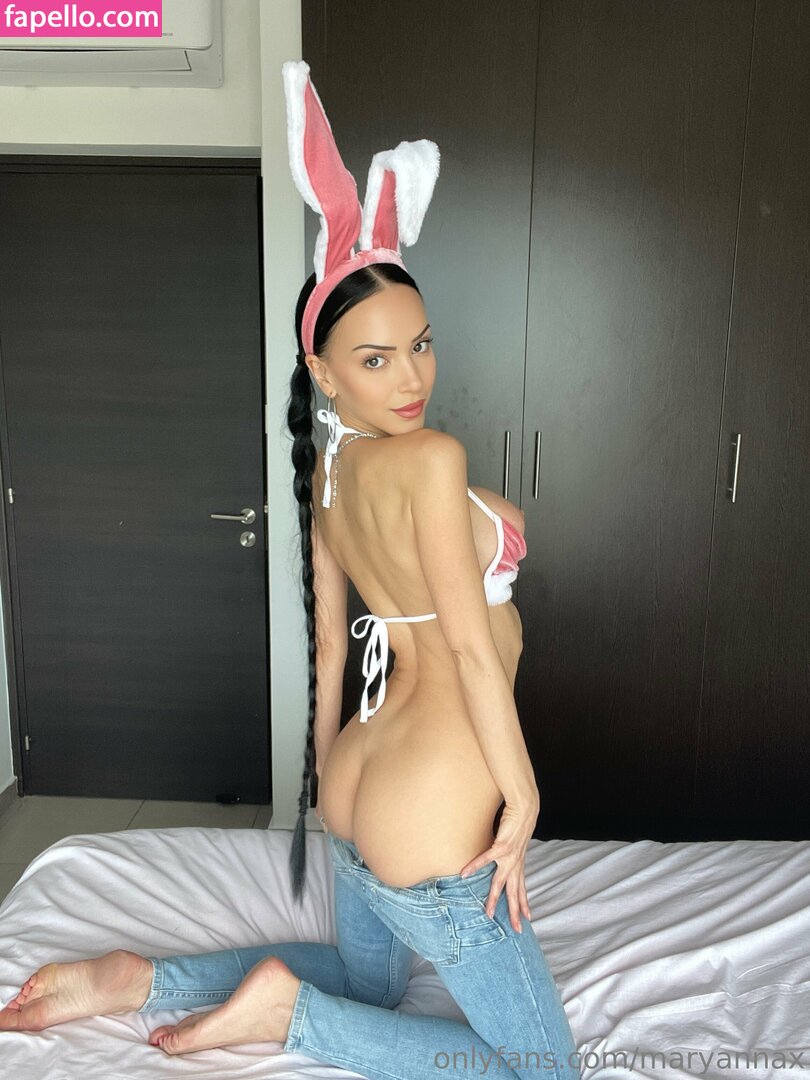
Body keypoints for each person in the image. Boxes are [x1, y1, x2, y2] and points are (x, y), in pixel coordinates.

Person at [0, 61, 581, 1079]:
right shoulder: (430, 462)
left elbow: (329, 653)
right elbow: (472, 658)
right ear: (323, 368)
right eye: (376, 359)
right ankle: (288, 1017)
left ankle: (139, 980)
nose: (412, 376)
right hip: (431, 793)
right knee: (546, 1071)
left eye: (421, 346)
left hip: (359, 779)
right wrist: (523, 800)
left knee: (369, 980)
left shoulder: (331, 476)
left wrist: (326, 792)